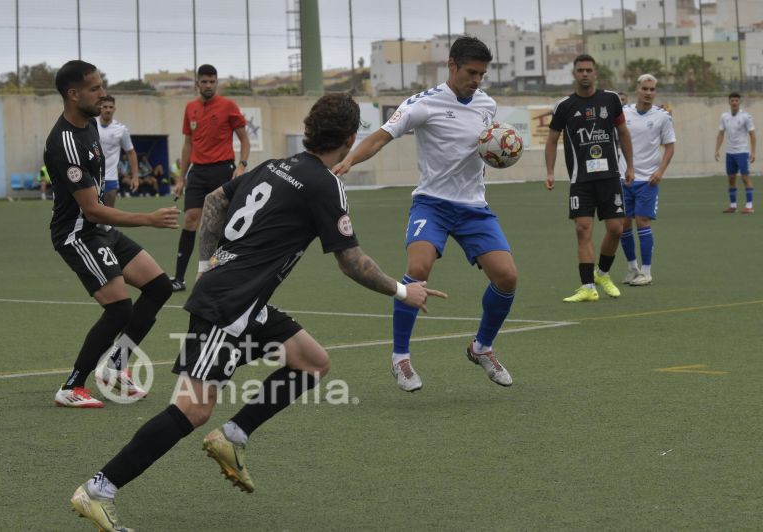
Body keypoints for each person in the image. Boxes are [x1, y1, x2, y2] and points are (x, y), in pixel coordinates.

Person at [70, 93, 446, 529]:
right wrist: (404, 291)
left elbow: (212, 201)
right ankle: (100, 488)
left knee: (312, 362)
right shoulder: (326, 183)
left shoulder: (273, 165)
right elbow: (351, 262)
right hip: (228, 305)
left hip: (244, 300)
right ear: (349, 138)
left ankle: (234, 435)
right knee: (193, 410)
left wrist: (208, 264)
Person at [334, 36, 517, 392]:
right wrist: (350, 159)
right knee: (418, 270)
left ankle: (482, 347)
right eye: (470, 72)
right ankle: (400, 358)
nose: (476, 80)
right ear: (451, 66)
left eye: (482, 74)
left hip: (474, 208)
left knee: (507, 277)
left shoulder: (487, 105)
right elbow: (382, 136)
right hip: (432, 203)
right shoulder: (423, 104)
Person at [45, 60, 179, 408]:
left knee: (159, 286)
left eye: (101, 86)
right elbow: (90, 209)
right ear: (73, 94)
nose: (103, 94)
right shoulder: (65, 144)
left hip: (100, 229)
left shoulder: (90, 126)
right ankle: (72, 386)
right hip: (78, 234)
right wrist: (148, 219)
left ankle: (116, 366)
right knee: (119, 308)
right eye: (95, 88)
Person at [544, 54, 634, 302]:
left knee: (617, 228)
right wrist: (550, 171)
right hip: (580, 180)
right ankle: (587, 287)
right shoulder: (564, 106)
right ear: (574, 74)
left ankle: (602, 274)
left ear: (596, 73)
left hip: (610, 177)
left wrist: (630, 166)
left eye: (589, 70)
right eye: (580, 70)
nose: (585, 74)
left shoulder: (611, 100)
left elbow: (623, 133)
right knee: (583, 230)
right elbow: (552, 140)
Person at [170, 64, 251, 292]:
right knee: (190, 220)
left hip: (223, 170)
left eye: (212, 81)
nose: (208, 85)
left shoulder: (228, 106)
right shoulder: (190, 108)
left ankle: (222, 275)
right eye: (204, 81)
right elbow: (188, 144)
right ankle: (179, 278)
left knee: (221, 226)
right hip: (197, 172)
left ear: (217, 82)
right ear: (197, 83)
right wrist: (181, 178)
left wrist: (242, 165)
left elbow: (244, 139)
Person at [618, 74, 676, 287]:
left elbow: (670, 146)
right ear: (637, 89)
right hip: (624, 178)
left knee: (642, 221)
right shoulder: (624, 113)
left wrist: (660, 171)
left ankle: (646, 271)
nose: (649, 93)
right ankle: (632, 268)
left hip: (648, 179)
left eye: (652, 89)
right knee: (623, 224)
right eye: (645, 89)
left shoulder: (662, 117)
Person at [715, 92, 756, 214]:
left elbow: (752, 135)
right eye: (732, 100)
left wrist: (753, 152)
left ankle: (749, 206)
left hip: (742, 152)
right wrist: (717, 149)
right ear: (729, 102)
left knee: (745, 177)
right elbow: (721, 133)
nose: (734, 103)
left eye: (736, 101)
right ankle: (733, 206)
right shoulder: (724, 116)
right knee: (731, 178)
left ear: (739, 102)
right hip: (730, 153)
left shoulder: (746, 117)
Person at [97, 95, 139, 207]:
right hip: (91, 177)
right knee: (89, 215)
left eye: (110, 107)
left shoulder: (121, 129)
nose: (108, 110)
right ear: (100, 108)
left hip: (110, 178)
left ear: (115, 109)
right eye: (105, 107)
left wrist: (135, 177)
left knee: (109, 214)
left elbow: (131, 152)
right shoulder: (90, 125)